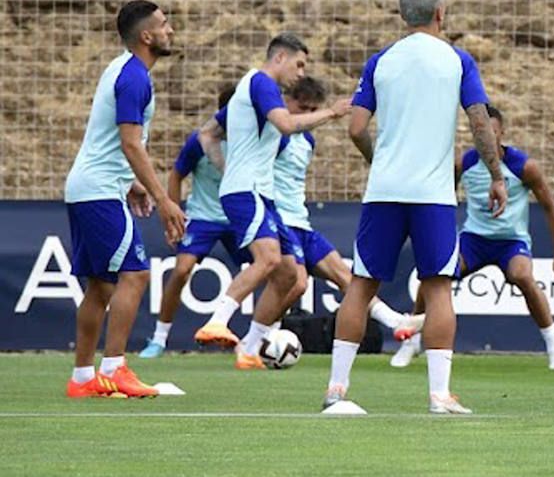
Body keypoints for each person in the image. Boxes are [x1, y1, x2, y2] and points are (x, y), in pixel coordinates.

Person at [324, 0, 508, 415]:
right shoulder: (457, 60)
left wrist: (379, 161)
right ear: (441, 13)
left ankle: (336, 389)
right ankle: (440, 395)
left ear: (401, 14)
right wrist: (496, 175)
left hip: (384, 191)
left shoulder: (381, 61)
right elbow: (480, 123)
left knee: (363, 284)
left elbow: (354, 127)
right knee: (439, 286)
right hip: (433, 195)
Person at [192, 34, 350, 367]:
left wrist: (225, 167)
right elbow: (287, 124)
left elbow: (207, 133)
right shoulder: (262, 83)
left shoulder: (251, 90)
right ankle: (217, 320)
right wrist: (332, 113)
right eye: (299, 64)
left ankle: (250, 347)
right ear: (279, 57)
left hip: (258, 192)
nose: (302, 73)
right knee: (267, 260)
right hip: (247, 191)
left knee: (291, 275)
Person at [391, 105, 554, 371]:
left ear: (502, 133)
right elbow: (442, 198)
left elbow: (550, 208)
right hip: (474, 240)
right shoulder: (463, 164)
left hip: (511, 241)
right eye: (480, 133)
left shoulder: (524, 167)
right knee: (434, 273)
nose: (486, 138)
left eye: (492, 132)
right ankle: (412, 341)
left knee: (523, 276)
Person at [63, 0, 186, 398]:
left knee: (100, 288)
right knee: (135, 275)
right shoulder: (135, 77)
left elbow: (111, 143)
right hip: (99, 192)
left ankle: (82, 379)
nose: (171, 30)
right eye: (164, 25)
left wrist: (131, 185)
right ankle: (115, 368)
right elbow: (130, 144)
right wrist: (163, 198)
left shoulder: (120, 69)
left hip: (89, 188)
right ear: (146, 36)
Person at [267, 77, 418, 347]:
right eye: (302, 108)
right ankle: (259, 338)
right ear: (287, 103)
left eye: (314, 110)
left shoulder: (308, 140)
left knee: (343, 274)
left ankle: (395, 322)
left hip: (300, 221)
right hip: (277, 220)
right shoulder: (275, 136)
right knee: (297, 283)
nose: (309, 116)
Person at [139, 86, 241, 359]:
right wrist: (174, 218)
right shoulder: (201, 141)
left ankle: (261, 338)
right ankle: (159, 339)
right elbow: (176, 175)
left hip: (239, 216)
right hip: (203, 216)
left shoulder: (253, 140)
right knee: (182, 271)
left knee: (269, 267)